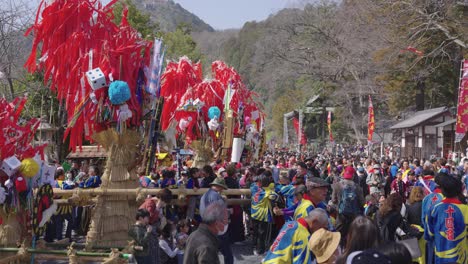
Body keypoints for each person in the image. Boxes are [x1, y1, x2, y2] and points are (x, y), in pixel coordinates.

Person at [262, 208, 329, 264]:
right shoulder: (304, 236)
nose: (322, 232)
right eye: (322, 228)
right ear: (314, 222)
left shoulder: (290, 224)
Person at [427, 175, 467, 264]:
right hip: (461, 257)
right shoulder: (466, 209)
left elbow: (430, 233)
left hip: (441, 255)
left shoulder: (434, 208)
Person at [198, 177, 233, 264]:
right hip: (216, 227)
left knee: (210, 253)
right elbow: (221, 212)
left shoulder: (204, 196)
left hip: (205, 226)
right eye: (222, 187)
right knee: (227, 253)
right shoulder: (216, 196)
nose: (222, 190)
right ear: (219, 186)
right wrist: (229, 212)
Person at [331, 166, 364, 246]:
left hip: (341, 215)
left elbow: (333, 200)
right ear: (353, 175)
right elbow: (362, 202)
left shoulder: (337, 185)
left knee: (338, 236)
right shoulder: (357, 187)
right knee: (352, 236)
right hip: (353, 216)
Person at [139, 188, 173, 264]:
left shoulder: (154, 203)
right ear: (163, 200)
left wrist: (161, 217)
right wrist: (157, 208)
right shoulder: (150, 203)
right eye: (166, 202)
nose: (166, 204)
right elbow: (150, 219)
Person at [251, 174, 276, 255]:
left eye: (258, 181)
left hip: (255, 214)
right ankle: (260, 250)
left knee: (257, 233)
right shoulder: (268, 192)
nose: (256, 182)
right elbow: (274, 196)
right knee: (262, 234)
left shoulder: (253, 188)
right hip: (263, 216)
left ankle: (256, 248)